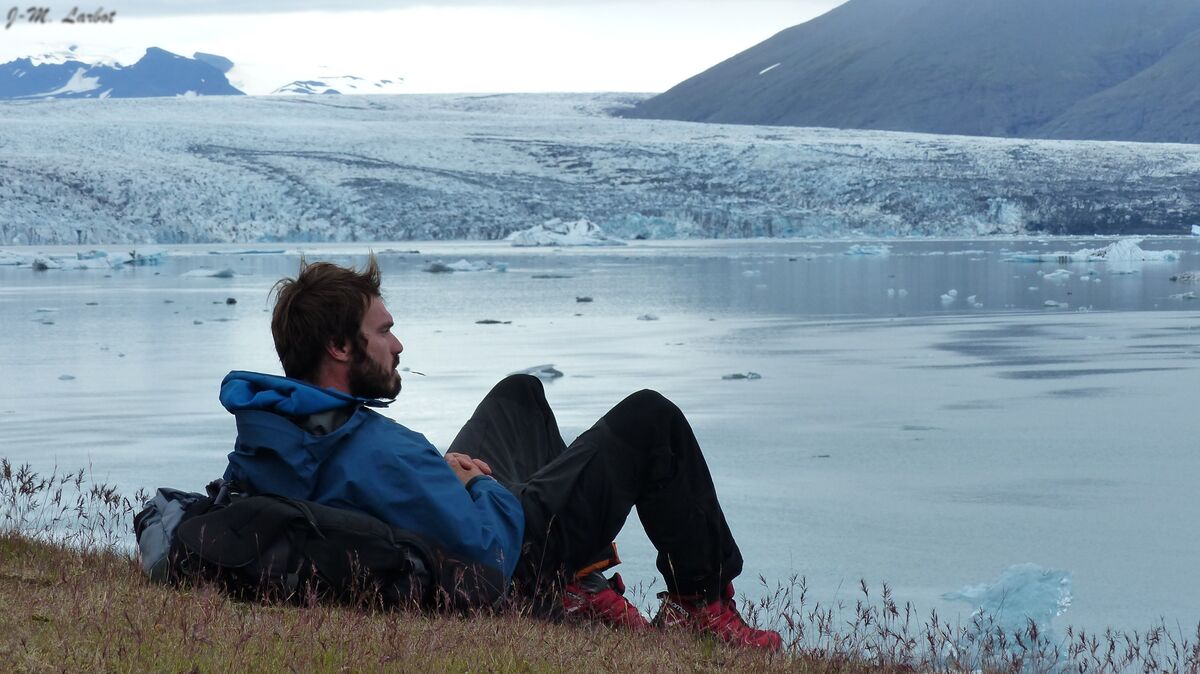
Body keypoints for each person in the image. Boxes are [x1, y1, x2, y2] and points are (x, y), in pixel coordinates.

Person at [220, 256, 782, 651]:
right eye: (384, 331)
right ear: (341, 347)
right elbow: (488, 553)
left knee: (520, 395)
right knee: (650, 419)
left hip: (434, 518)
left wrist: (448, 476)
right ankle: (700, 605)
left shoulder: (277, 431)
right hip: (509, 551)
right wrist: (475, 484)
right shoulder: (376, 450)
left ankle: (582, 585)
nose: (398, 345)